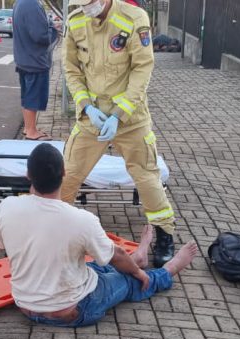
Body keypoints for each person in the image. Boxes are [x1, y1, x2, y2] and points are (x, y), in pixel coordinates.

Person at [0, 143, 198, 327]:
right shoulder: (80, 219)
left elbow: (1, 245)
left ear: (28, 175)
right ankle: (167, 271)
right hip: (75, 309)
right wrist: (138, 274)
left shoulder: (7, 206)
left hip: (26, 307)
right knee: (128, 281)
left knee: (96, 265)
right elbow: (116, 255)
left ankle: (137, 258)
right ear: (64, 173)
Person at [62, 0, 176, 267]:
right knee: (67, 173)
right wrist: (86, 106)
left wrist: (118, 114)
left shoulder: (133, 17)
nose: (85, 7)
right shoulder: (75, 21)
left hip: (130, 119)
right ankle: (54, 227)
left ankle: (164, 234)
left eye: (89, 2)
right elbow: (71, 69)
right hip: (92, 118)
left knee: (147, 177)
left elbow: (142, 69)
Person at [12, 0, 60, 141]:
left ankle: (28, 128)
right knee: (33, 97)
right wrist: (54, 30)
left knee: (27, 96)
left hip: (24, 58)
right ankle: (32, 132)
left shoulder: (20, 3)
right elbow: (41, 36)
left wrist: (50, 26)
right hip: (35, 60)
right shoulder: (32, 4)